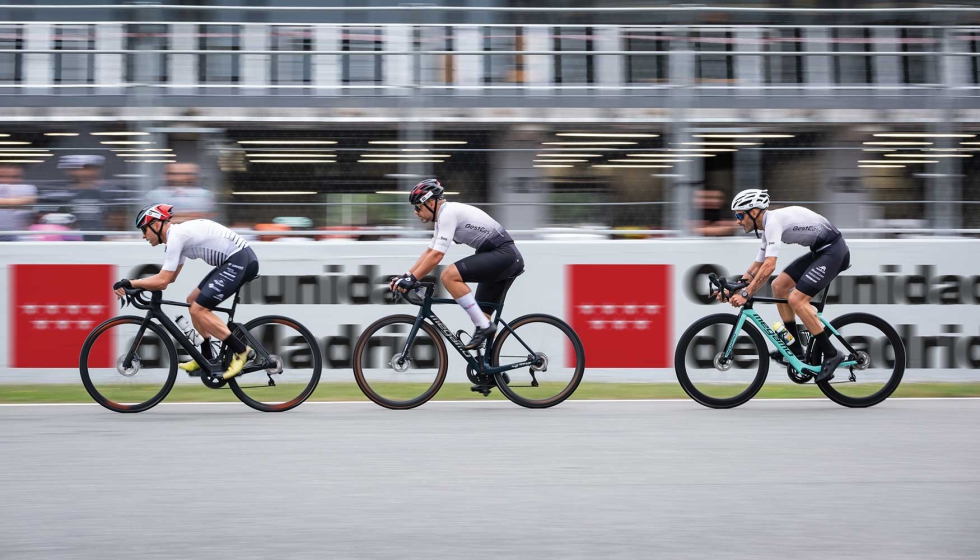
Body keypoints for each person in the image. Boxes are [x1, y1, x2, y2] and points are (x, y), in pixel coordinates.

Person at [112, 204, 260, 379]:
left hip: (240, 259)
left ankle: (242, 351)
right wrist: (137, 285)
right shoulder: (174, 239)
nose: (144, 235)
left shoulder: (176, 237)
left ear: (157, 225)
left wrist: (131, 282)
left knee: (199, 309)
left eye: (144, 229)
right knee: (193, 300)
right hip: (234, 260)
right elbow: (170, 278)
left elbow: (162, 281)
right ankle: (206, 357)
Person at [728, 188, 851, 383]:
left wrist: (747, 293)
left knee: (796, 299)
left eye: (740, 215)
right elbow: (757, 265)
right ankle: (795, 349)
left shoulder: (773, 223)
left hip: (834, 250)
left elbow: (769, 265)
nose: (737, 220)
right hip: (820, 251)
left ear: (753, 212)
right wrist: (733, 287)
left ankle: (831, 353)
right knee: (779, 286)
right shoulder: (767, 228)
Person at [390, 179, 524, 350]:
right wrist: (408, 276)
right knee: (481, 317)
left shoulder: (447, 213)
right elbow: (429, 252)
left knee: (448, 276)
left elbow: (437, 256)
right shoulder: (441, 218)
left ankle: (485, 327)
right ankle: (492, 373)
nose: (416, 213)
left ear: (430, 202)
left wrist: (414, 278)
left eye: (418, 207)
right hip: (498, 256)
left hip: (504, 255)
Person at [144, 163, 217, 223]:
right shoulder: (154, 195)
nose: (179, 177)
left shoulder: (205, 195)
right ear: (166, 175)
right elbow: (153, 219)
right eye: (174, 174)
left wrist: (172, 217)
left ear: (195, 176)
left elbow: (204, 218)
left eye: (186, 174)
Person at [0, 164, 37, 241]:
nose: (7, 180)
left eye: (14, 177)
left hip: (18, 236)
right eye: (2, 176)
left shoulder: (28, 188)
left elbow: (30, 199)